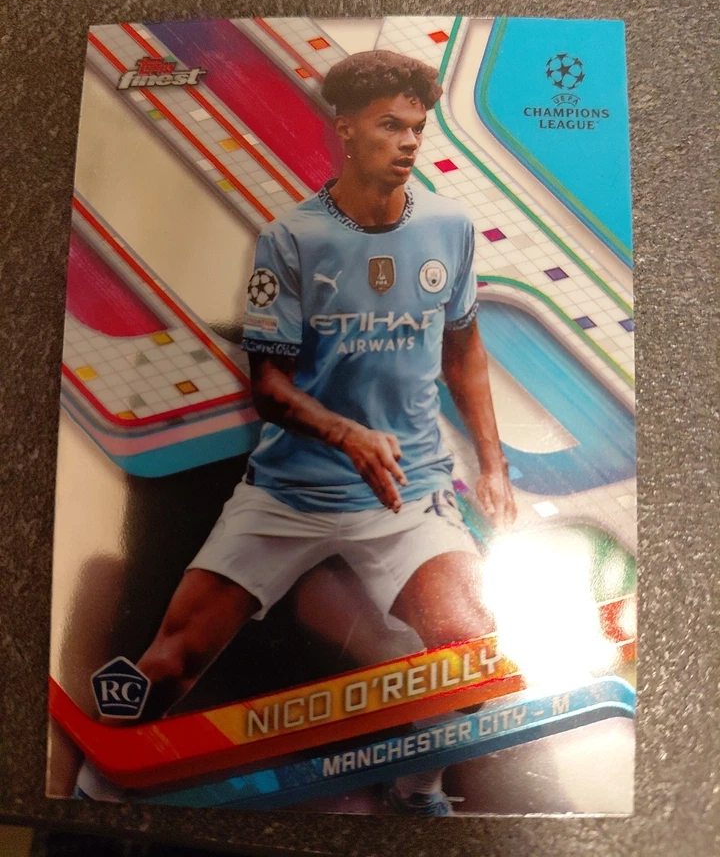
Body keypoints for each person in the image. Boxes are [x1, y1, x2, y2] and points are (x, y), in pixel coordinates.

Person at [77, 49, 516, 815]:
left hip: (407, 491)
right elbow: (270, 388)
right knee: (172, 661)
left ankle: (419, 791)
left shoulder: (449, 229)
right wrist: (348, 435)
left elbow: (464, 351)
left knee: (472, 647)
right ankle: (91, 792)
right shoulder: (290, 240)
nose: (409, 142)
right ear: (345, 128)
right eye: (390, 126)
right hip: (291, 492)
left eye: (417, 127)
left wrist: (493, 463)